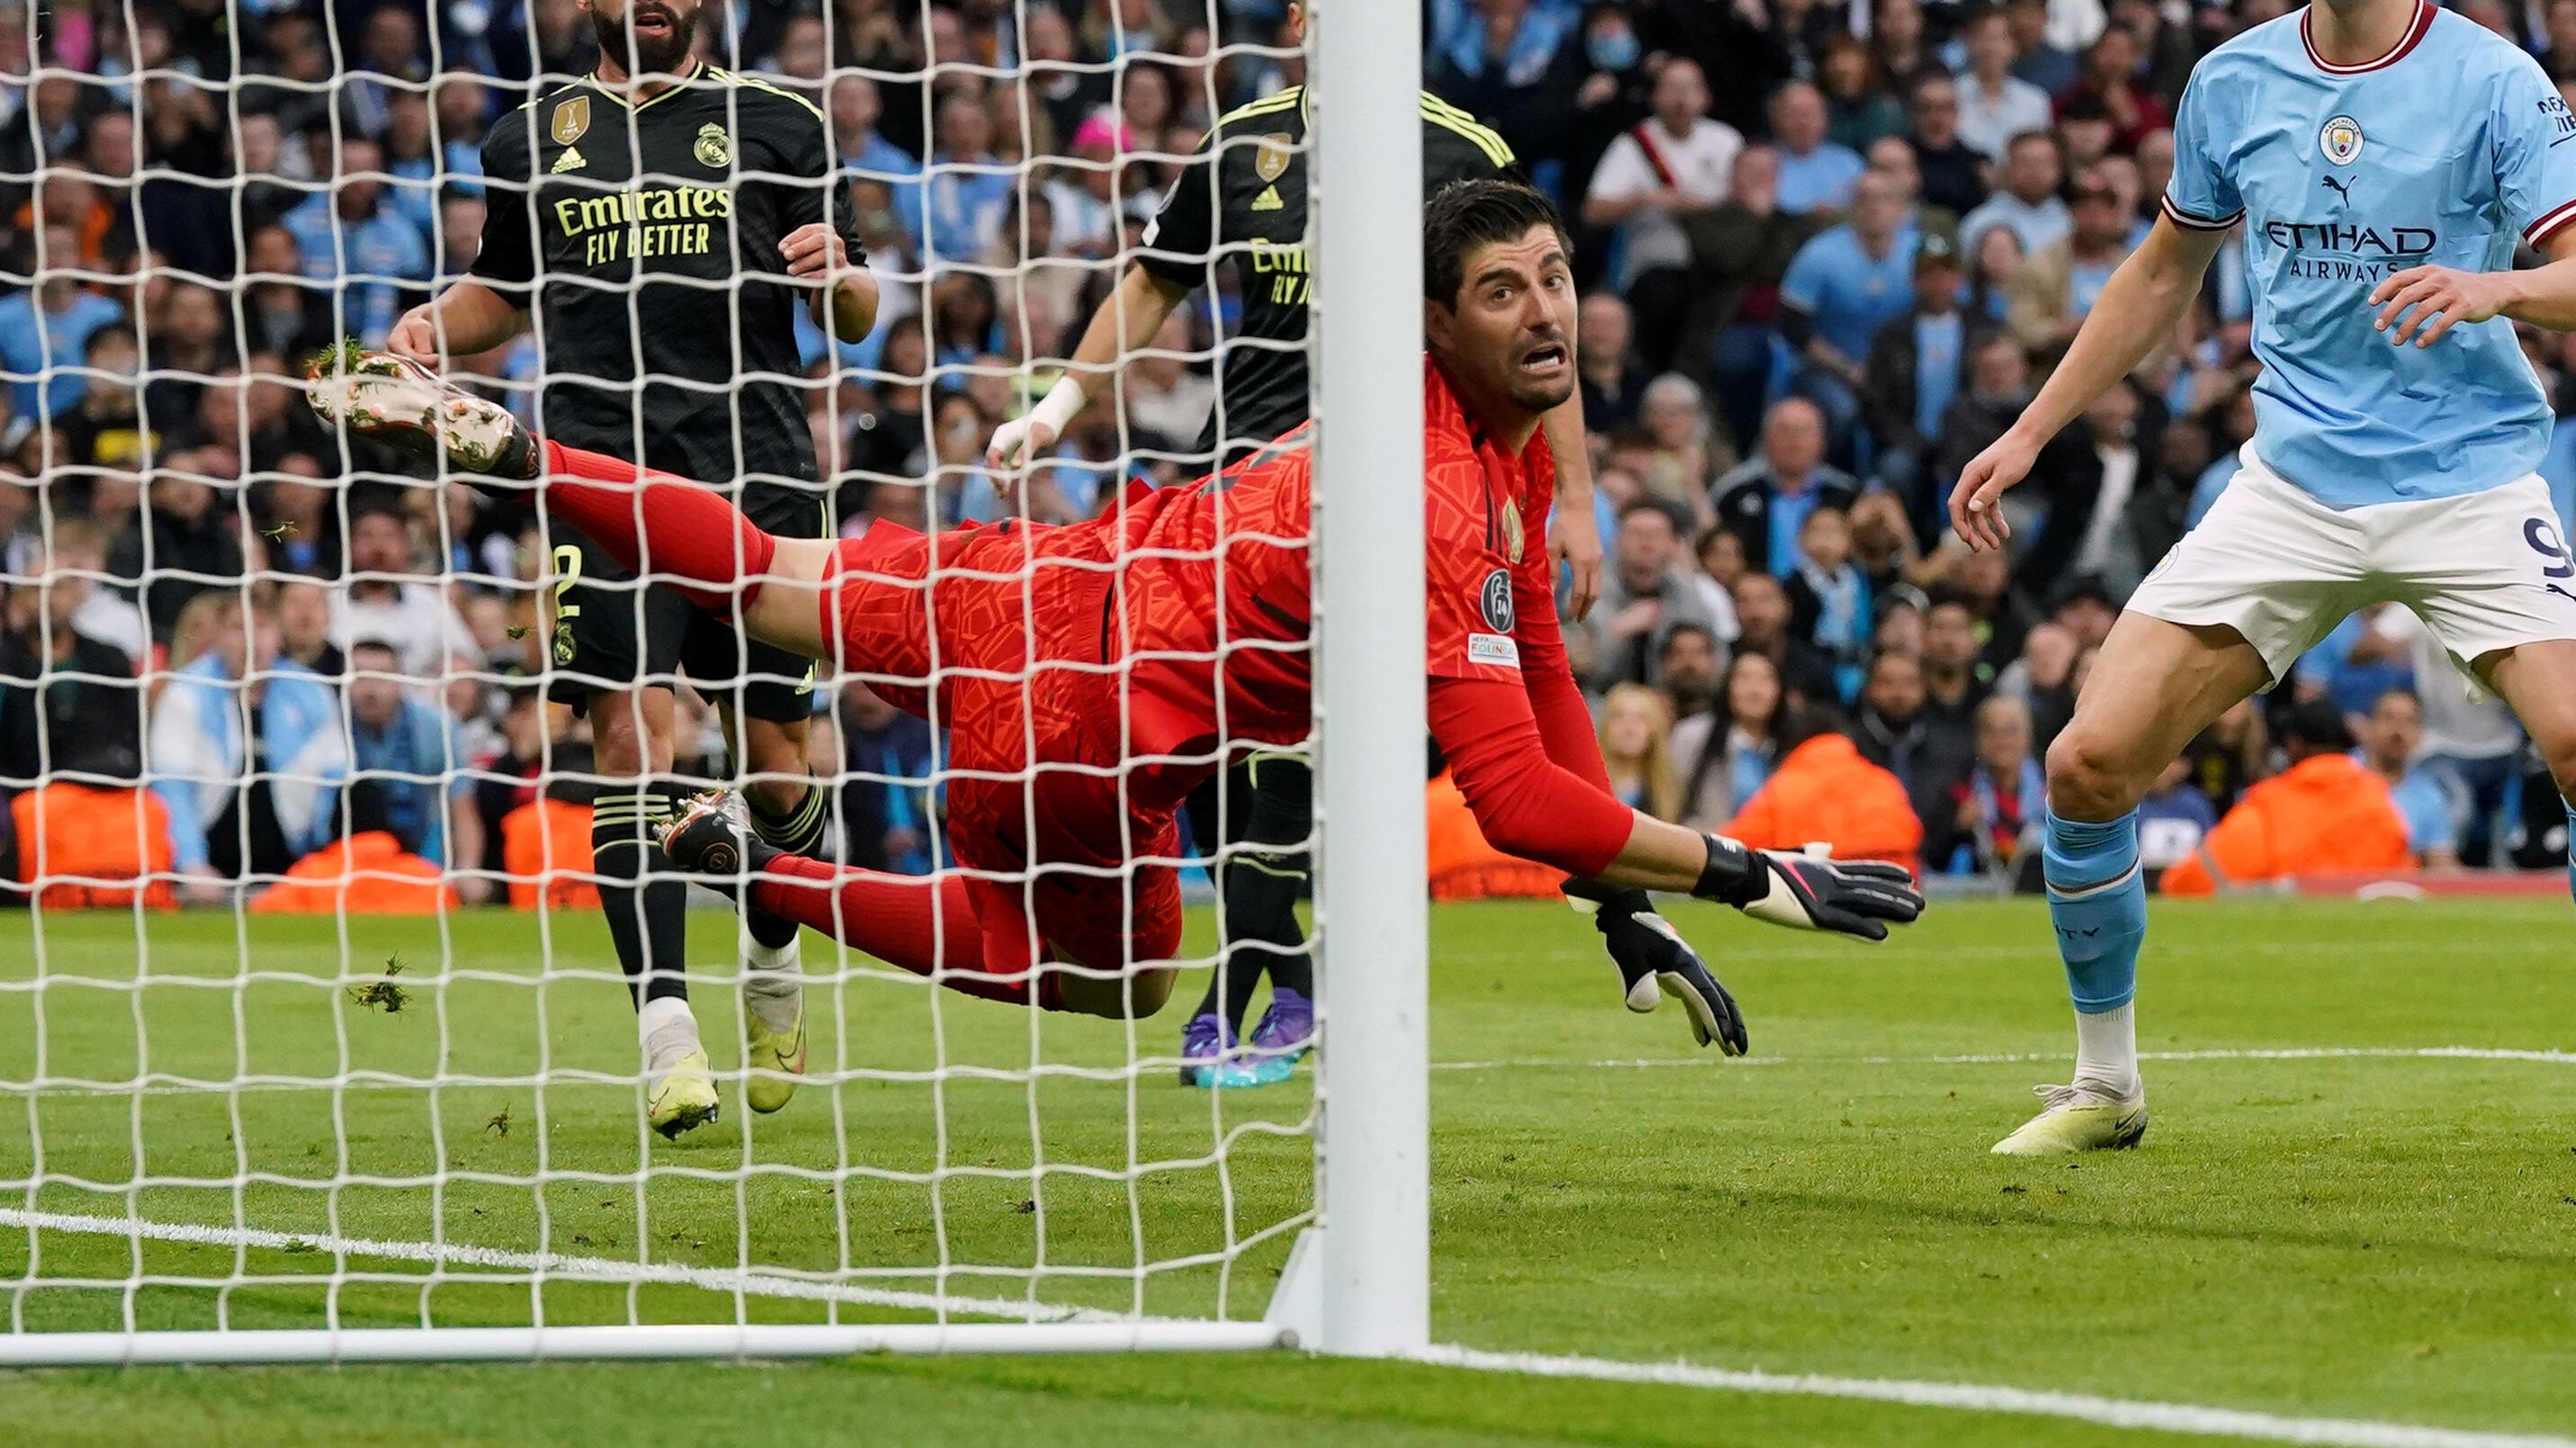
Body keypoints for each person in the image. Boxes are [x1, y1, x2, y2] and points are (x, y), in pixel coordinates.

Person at [326, 181, 1916, 1039]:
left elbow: (1548, 670)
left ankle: (527, 449)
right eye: (1505, 292)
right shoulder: (1440, 494)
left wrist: (1613, 891)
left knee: (772, 577)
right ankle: (760, 871)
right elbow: (1507, 790)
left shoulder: (1457, 449)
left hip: (1059, 567)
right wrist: (1744, 874)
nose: (1549, 310)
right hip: (1084, 723)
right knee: (1108, 981)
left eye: (1559, 276)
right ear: (1439, 322)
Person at [1948, 0, 2576, 1159]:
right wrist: (2036, 428)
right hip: (2295, 481)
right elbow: (2164, 273)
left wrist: (2493, 283)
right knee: (2088, 761)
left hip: (2465, 478)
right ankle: (2107, 1084)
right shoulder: (2230, 83)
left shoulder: (2496, 80)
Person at [384, 0, 879, 1141]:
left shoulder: (776, 120)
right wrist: (441, 325)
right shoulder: (527, 138)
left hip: (758, 476)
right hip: (598, 478)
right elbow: (508, 294)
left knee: (776, 757)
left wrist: (846, 278)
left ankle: (773, 950)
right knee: (629, 736)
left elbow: (855, 304)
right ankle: (666, 1032)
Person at [980, 63, 1581, 1084]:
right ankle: (1293, 985)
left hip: (1388, 477)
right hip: (1238, 477)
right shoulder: (1245, 140)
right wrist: (1054, 410)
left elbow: (1544, 324)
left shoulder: (1464, 152)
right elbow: (1152, 282)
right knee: (1211, 753)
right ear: (1301, 19)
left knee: (1290, 748)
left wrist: (1577, 499)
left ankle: (1232, 999)